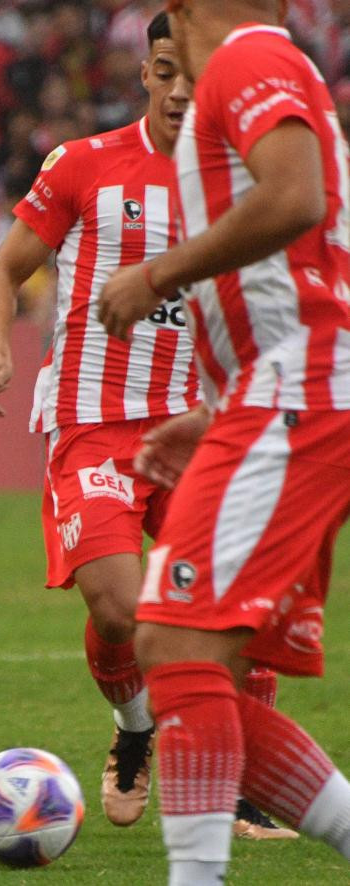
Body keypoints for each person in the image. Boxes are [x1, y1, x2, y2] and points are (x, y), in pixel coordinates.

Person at [0, 11, 295, 840]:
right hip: (93, 421)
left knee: (235, 614)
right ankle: (138, 730)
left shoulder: (254, 183)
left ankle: (243, 785)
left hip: (205, 427)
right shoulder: (83, 164)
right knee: (117, 608)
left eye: (193, 73)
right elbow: (5, 269)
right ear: (143, 74)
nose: (180, 89)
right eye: (163, 71)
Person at [97, 1, 350, 881]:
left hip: (298, 390)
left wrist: (158, 272)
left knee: (170, 638)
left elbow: (295, 200)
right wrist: (217, 411)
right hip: (283, 388)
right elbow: (316, 256)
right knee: (189, 657)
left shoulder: (245, 60)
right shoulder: (263, 64)